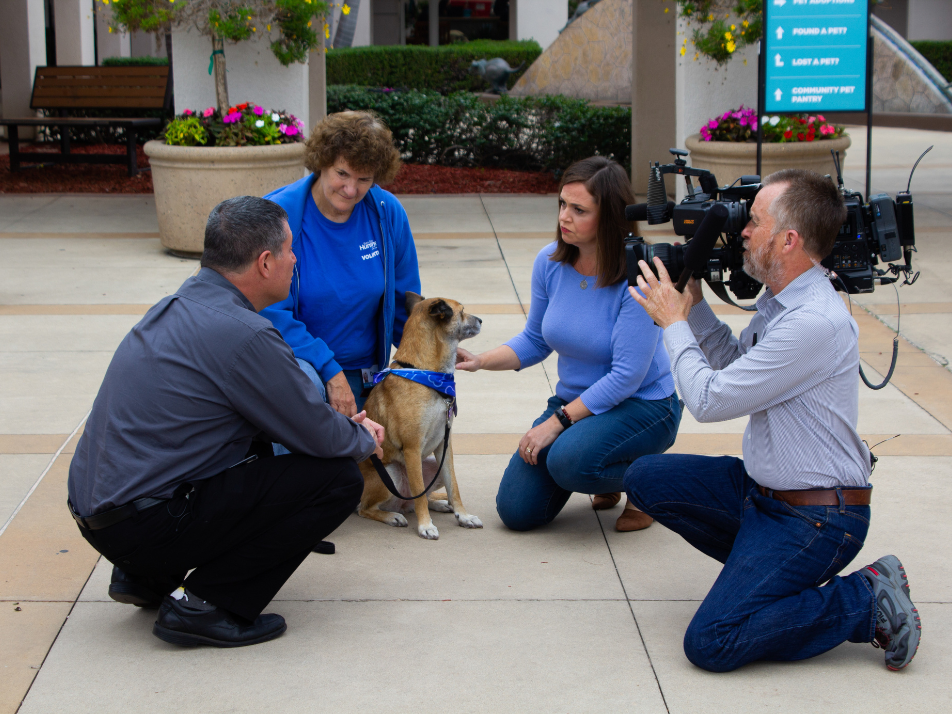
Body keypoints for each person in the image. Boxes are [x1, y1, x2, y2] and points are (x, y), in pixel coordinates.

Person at [625, 169, 921, 672]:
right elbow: (728, 361)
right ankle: (767, 580)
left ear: (788, 240)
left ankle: (864, 600)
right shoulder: (781, 302)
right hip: (762, 496)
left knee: (712, 642)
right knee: (644, 477)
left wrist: (672, 322)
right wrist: (690, 304)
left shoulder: (813, 322)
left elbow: (709, 399)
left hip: (819, 518)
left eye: (753, 221)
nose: (741, 230)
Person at [67, 196, 385, 648]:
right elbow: (317, 434)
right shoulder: (245, 333)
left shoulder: (177, 304)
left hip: (101, 516)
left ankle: (147, 577)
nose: (296, 260)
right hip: (144, 525)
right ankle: (206, 606)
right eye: (291, 250)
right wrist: (360, 436)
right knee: (334, 480)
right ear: (265, 261)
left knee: (252, 446)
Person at [457, 157, 681, 532]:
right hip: (577, 404)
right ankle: (603, 466)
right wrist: (480, 360)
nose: (564, 216)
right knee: (516, 512)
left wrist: (556, 423)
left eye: (579, 210)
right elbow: (535, 339)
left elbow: (627, 377)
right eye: (562, 204)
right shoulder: (549, 261)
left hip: (642, 406)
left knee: (567, 461)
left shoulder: (636, 278)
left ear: (609, 218)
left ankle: (651, 484)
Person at [262, 110, 421, 418]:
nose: (351, 190)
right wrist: (328, 369)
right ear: (322, 162)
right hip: (300, 369)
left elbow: (405, 306)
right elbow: (268, 314)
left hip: (366, 375)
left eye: (365, 179)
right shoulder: (277, 216)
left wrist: (432, 355)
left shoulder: (388, 213)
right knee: (303, 396)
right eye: (342, 174)